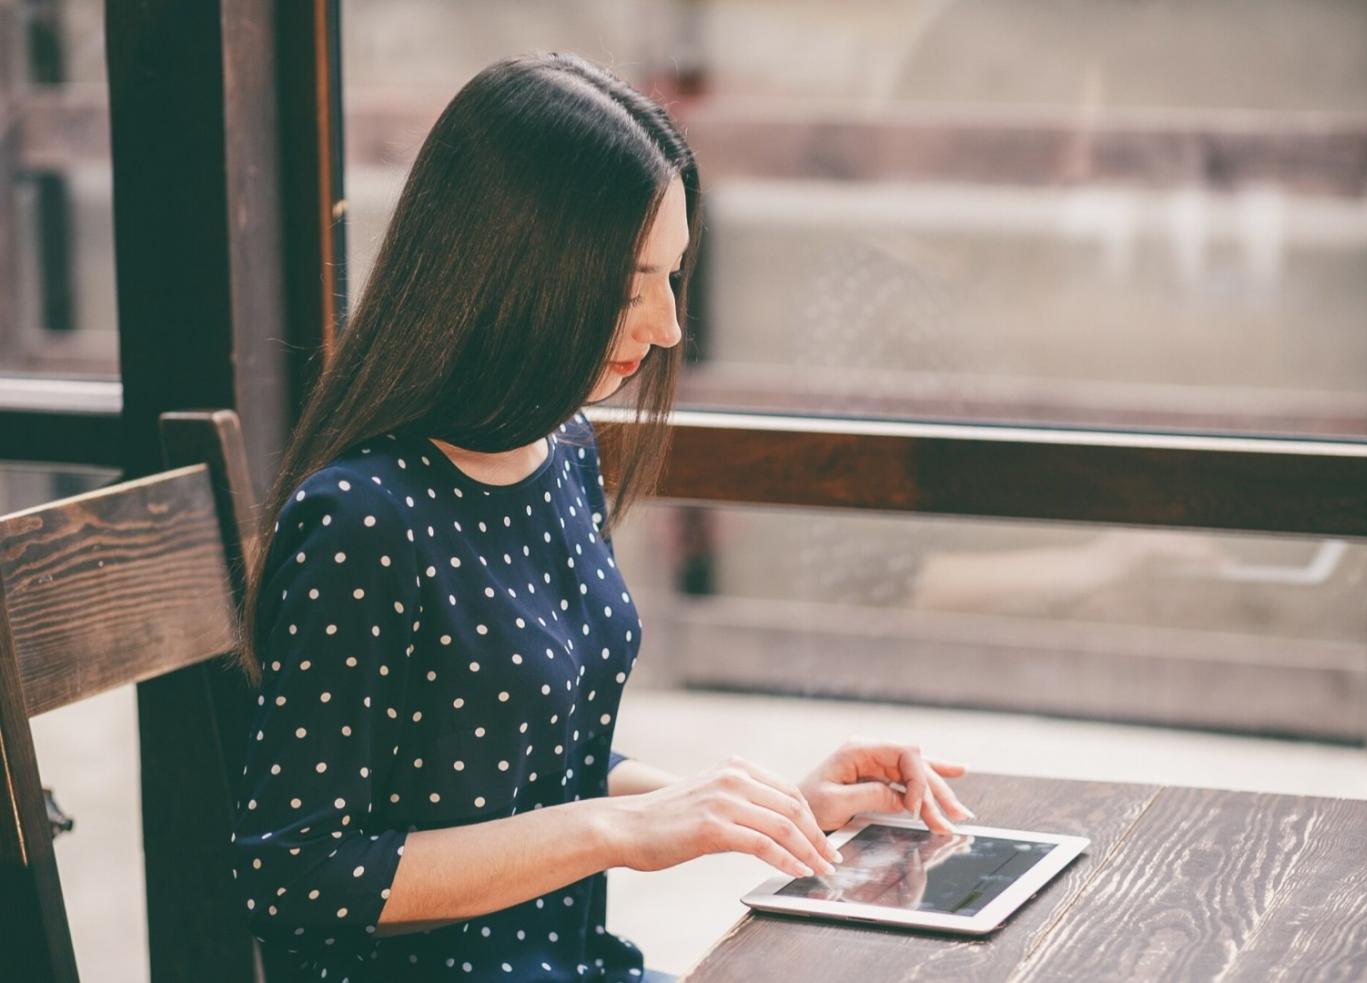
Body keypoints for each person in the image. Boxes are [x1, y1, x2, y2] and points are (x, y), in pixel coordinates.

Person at [229, 51, 973, 982]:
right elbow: (293, 878)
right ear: (509, 276)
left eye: (673, 277)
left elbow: (542, 756)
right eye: (629, 288)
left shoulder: (563, 450)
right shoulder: (362, 520)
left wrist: (770, 805)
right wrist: (617, 830)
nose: (666, 326)